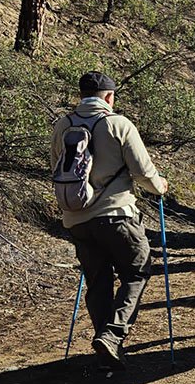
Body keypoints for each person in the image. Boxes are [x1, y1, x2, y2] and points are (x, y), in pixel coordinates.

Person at [51, 71, 167, 366]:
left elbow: (55, 168)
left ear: (81, 95)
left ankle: (106, 346)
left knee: (98, 282)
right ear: (110, 97)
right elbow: (142, 172)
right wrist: (160, 186)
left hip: (77, 219)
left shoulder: (63, 126)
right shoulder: (119, 124)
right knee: (137, 272)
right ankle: (112, 337)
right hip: (117, 216)